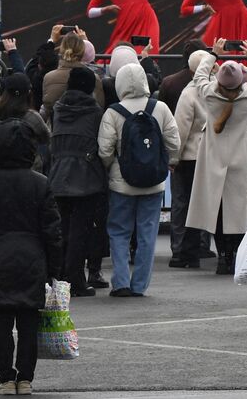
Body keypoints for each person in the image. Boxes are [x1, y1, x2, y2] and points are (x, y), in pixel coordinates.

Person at [0, 120, 60, 396]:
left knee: (1, 322)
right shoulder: (40, 183)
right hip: (32, 258)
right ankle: (26, 378)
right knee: (29, 321)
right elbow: (52, 230)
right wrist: (55, 267)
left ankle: (6, 377)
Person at [186, 43, 247, 277]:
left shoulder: (209, 94)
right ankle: (235, 254)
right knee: (238, 212)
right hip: (241, 159)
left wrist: (213, 53)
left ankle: (223, 256)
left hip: (214, 159)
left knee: (218, 211)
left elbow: (200, 76)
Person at [97, 57, 180, 297]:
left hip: (122, 183)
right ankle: (140, 285)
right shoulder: (160, 108)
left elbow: (104, 150)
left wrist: (112, 167)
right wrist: (169, 162)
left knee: (119, 231)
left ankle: (121, 282)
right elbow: (174, 141)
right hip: (153, 183)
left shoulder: (113, 112)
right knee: (147, 233)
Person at [47, 66, 107, 298]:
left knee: (62, 229)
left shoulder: (59, 109)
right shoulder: (95, 112)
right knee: (81, 231)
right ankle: (75, 279)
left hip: (59, 173)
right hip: (87, 176)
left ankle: (59, 276)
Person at [168, 50, 215, 269]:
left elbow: (181, 129)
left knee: (183, 204)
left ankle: (182, 251)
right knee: (205, 204)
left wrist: (173, 158)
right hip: (211, 156)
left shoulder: (189, 93)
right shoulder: (219, 88)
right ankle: (203, 246)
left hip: (189, 157)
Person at [41, 30, 103, 119]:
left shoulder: (49, 77)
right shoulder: (94, 78)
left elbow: (47, 109)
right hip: (87, 129)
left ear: (62, 50)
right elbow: (100, 107)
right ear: (82, 51)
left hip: (57, 129)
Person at [0, 73, 50, 170]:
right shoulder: (33, 117)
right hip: (29, 167)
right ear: (28, 93)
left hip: (0, 166)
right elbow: (46, 137)